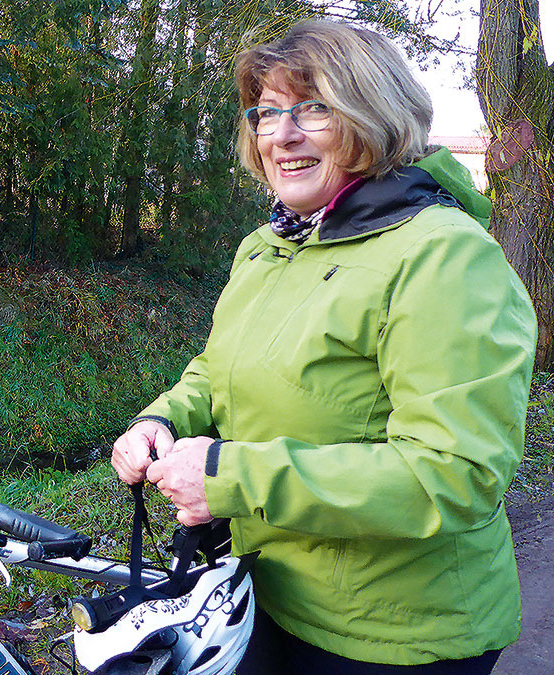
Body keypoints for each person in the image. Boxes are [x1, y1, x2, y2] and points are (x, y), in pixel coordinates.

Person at [111, 19, 538, 675]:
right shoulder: (269, 246)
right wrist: (164, 418)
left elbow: (453, 473)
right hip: (270, 589)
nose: (282, 134)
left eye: (313, 109)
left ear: (374, 115)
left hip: (395, 635)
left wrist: (231, 475)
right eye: (267, 112)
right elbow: (222, 367)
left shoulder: (445, 258)